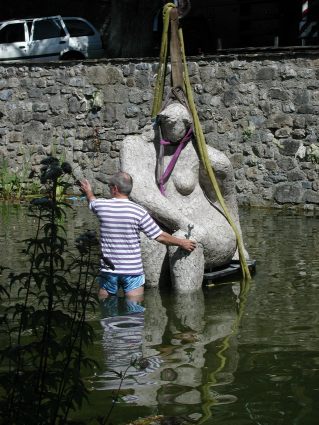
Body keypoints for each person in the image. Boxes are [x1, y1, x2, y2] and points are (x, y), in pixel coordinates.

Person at [80, 172, 196, 299]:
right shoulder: (139, 212)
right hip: (132, 271)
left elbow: (92, 201)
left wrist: (88, 191)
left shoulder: (102, 206)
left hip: (109, 270)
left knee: (108, 313)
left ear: (115, 189)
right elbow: (159, 236)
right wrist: (182, 242)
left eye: (109, 186)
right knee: (134, 314)